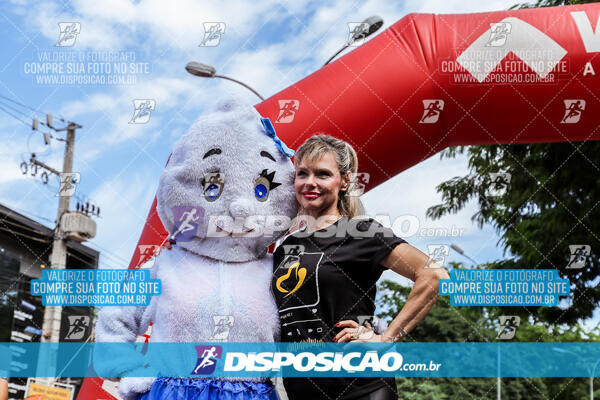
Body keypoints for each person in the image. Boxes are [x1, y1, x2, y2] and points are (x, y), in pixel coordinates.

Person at [271, 134, 450, 400]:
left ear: (344, 181)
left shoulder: (362, 233)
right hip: (302, 392)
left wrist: (386, 338)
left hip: (361, 388)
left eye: (322, 174)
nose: (310, 183)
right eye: (302, 174)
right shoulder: (286, 247)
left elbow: (433, 275)